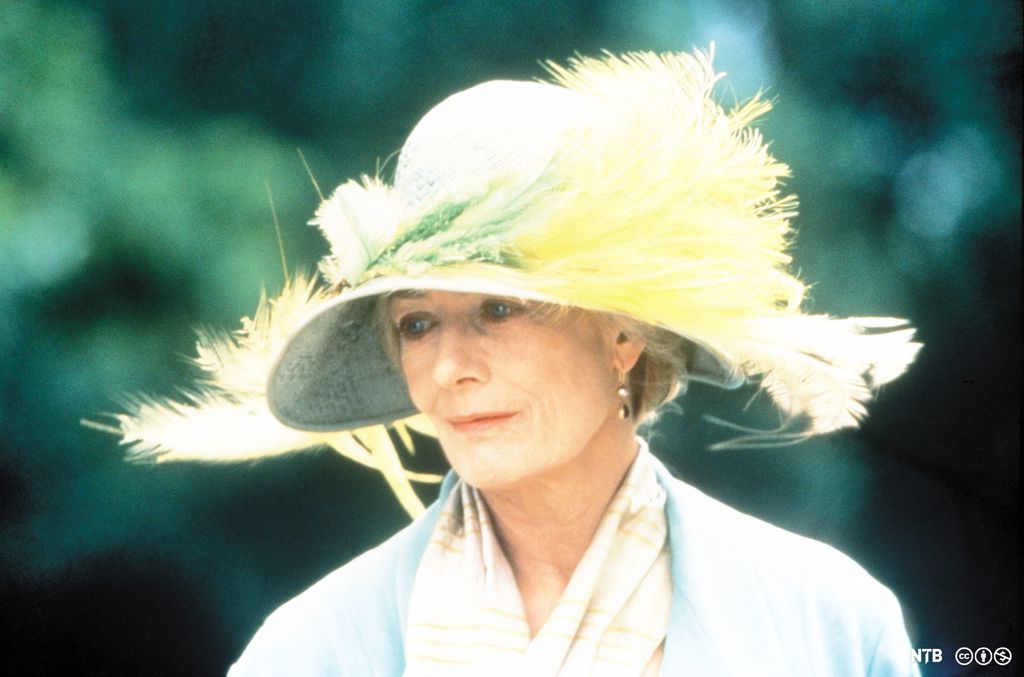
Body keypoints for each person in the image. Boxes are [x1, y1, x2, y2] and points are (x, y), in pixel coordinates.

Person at [110, 49, 922, 675]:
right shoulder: (311, 651)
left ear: (622, 333)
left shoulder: (828, 625)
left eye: (499, 309)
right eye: (419, 322)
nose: (450, 368)